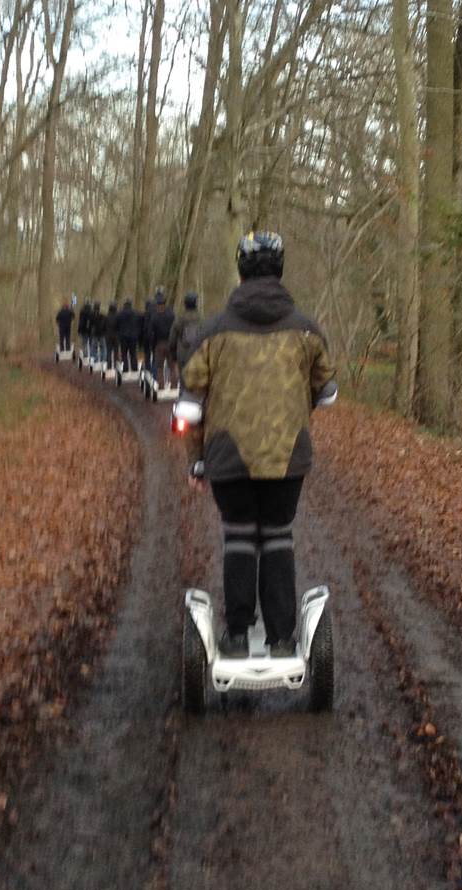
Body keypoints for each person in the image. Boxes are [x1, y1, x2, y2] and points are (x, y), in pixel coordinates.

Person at [178, 231, 337, 659]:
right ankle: (282, 639)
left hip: (227, 457)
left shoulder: (211, 332)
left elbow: (189, 408)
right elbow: (327, 394)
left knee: (239, 536)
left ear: (241, 270)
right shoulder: (307, 331)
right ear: (280, 269)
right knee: (278, 535)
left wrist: (196, 461)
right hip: (288, 457)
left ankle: (235, 637)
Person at [168, 291, 203, 371]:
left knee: (183, 376)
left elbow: (172, 340)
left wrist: (174, 356)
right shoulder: (201, 319)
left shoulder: (180, 319)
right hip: (197, 354)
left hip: (183, 354)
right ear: (196, 304)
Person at [151, 290, 176, 386]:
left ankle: (161, 385)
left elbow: (152, 332)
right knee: (172, 366)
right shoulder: (171, 315)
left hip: (159, 343)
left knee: (159, 367)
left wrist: (153, 344)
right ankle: (174, 384)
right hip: (170, 343)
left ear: (158, 305)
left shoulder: (154, 317)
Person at [117, 298, 141, 373]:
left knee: (124, 353)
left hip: (123, 336)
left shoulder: (120, 314)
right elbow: (139, 324)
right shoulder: (136, 313)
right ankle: (134, 368)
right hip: (133, 336)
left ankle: (125, 368)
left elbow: (117, 325)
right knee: (133, 353)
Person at [104, 301, 120, 367]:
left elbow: (104, 326)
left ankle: (109, 365)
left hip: (108, 335)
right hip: (116, 336)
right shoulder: (118, 317)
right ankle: (116, 364)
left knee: (108, 351)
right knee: (116, 351)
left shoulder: (107, 316)